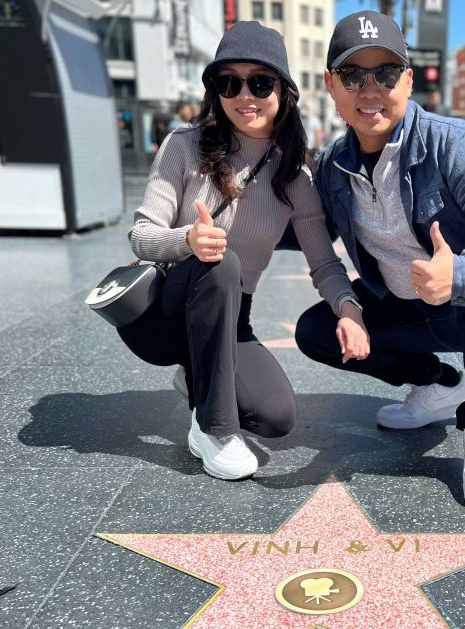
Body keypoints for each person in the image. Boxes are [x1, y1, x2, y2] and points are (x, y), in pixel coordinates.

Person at [295, 11, 465, 508]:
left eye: (385, 73)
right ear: (331, 85)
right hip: (404, 307)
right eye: (353, 75)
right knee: (316, 331)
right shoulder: (330, 166)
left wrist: (460, 273)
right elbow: (306, 237)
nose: (370, 90)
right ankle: (439, 385)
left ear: (408, 80)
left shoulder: (453, 141)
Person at [121, 21, 369, 481]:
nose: (244, 95)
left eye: (259, 81)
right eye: (228, 82)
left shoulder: (293, 175)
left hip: (232, 316)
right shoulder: (184, 145)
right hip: (166, 312)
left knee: (277, 417)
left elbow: (323, 261)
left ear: (284, 92)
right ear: (215, 91)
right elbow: (141, 235)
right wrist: (186, 240)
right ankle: (212, 429)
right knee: (220, 262)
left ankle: (197, 374)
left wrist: (348, 310)